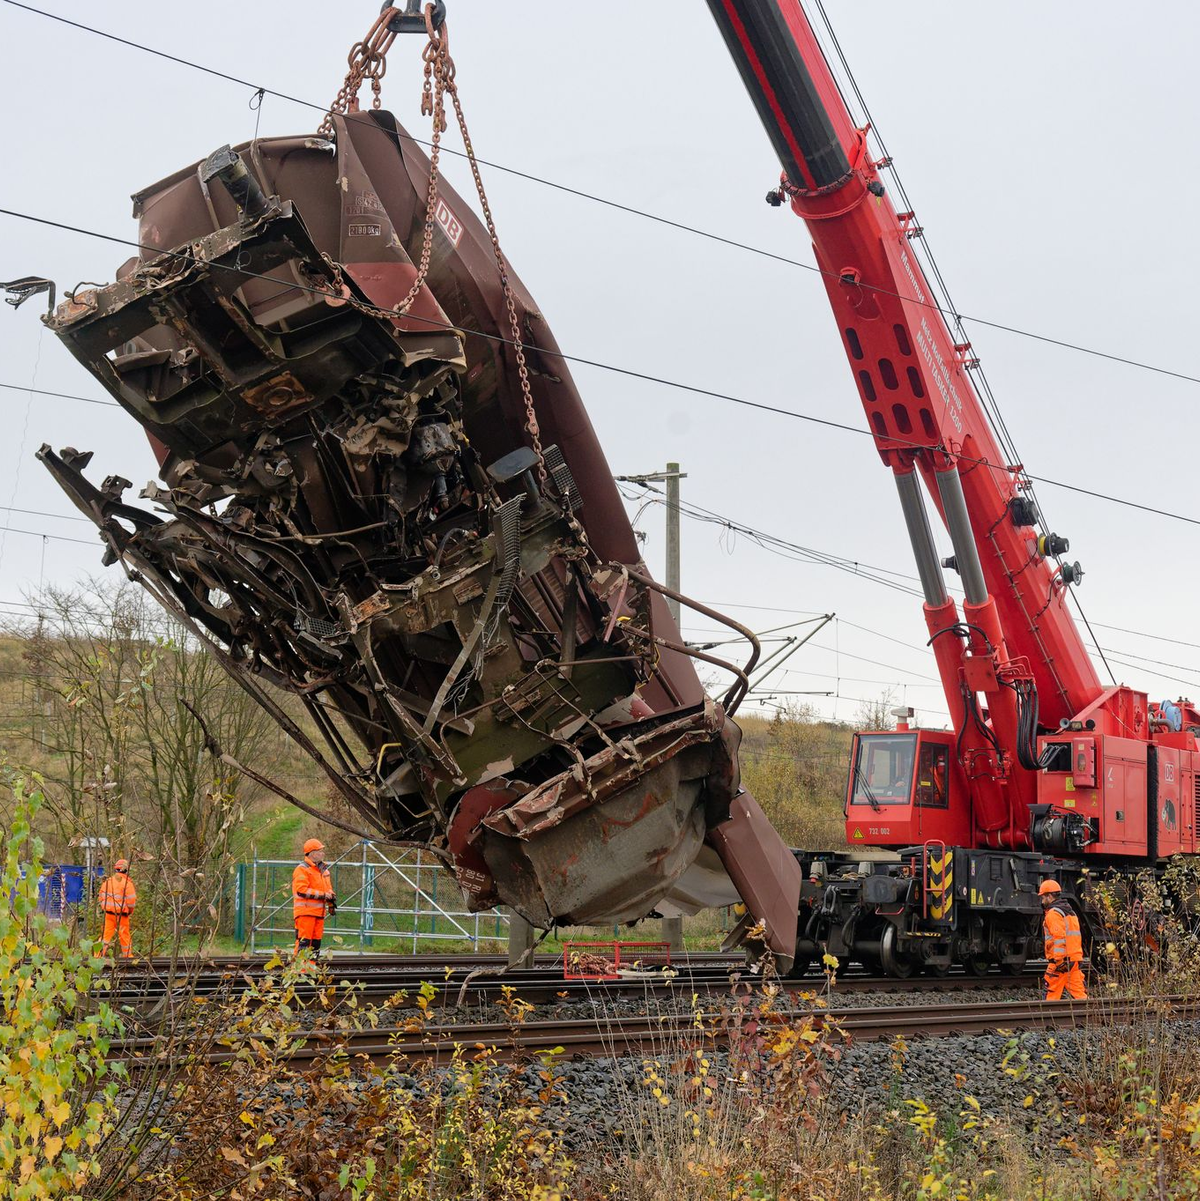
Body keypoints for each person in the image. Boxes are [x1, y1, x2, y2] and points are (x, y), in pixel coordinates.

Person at [1039, 879, 1087, 1000]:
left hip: (1061, 962)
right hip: (1074, 959)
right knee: (1080, 995)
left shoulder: (1053, 914)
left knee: (1051, 995)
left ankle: (1049, 1017)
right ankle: (1088, 1017)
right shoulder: (1070, 912)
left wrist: (1059, 962)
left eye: (1043, 897)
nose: (1042, 900)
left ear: (1049, 896)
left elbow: (1059, 938)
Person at [292, 838, 336, 957]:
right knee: (304, 943)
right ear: (312, 853)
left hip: (319, 913)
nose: (323, 853)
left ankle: (311, 970)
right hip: (305, 913)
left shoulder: (323, 871)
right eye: (320, 851)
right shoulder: (302, 869)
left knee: (315, 944)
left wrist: (331, 901)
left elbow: (328, 890)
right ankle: (299, 972)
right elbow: (301, 890)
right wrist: (323, 895)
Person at [98, 859, 137, 958]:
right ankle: (127, 957)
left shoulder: (108, 882)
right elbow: (131, 902)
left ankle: (97, 957)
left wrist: (105, 908)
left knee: (105, 937)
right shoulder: (128, 884)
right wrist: (129, 912)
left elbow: (101, 897)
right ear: (126, 870)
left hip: (108, 915)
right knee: (124, 937)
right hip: (122, 916)